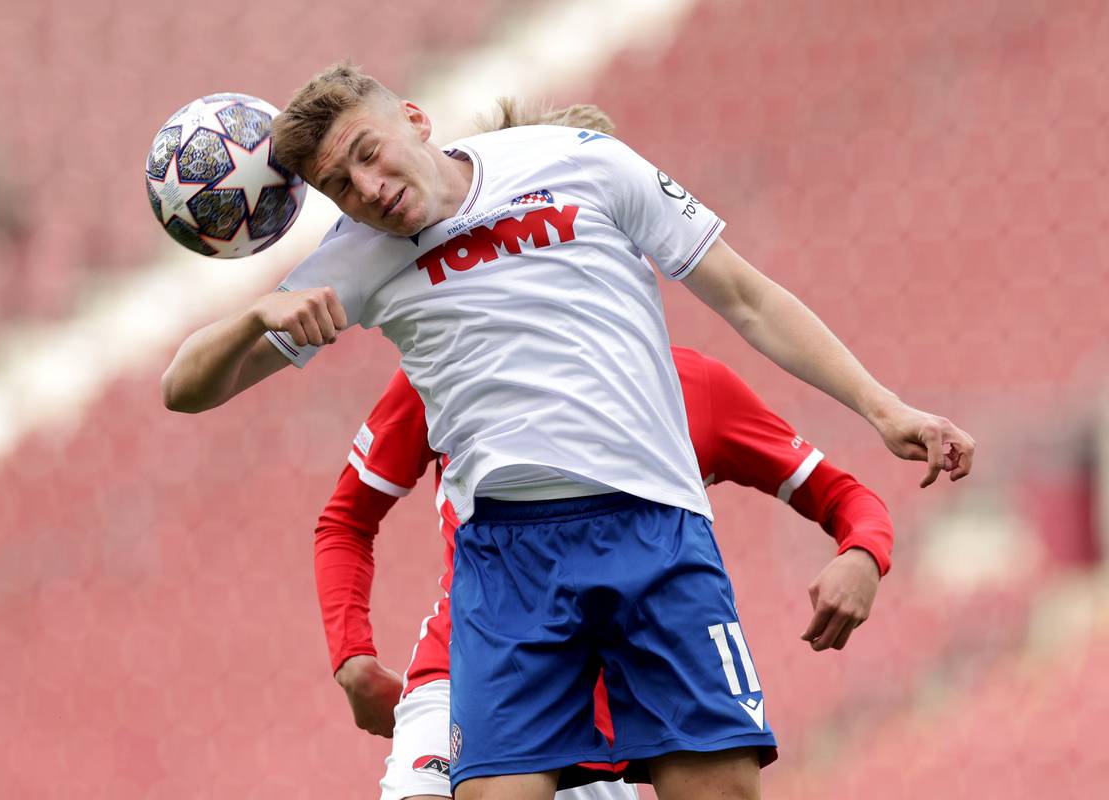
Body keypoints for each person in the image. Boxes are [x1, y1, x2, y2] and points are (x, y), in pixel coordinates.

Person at [161, 62, 974, 800]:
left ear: (414, 119)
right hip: (507, 563)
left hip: (654, 531)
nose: (368, 187)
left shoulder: (581, 160)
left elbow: (748, 298)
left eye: (368, 153)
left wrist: (884, 407)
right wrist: (252, 319)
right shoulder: (356, 259)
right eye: (340, 184)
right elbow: (184, 391)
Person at [320, 348, 894, 800]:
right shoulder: (452, 361)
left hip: (613, 708)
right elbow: (346, 518)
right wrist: (352, 656)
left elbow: (843, 495)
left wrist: (863, 552)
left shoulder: (692, 384)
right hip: (468, 668)